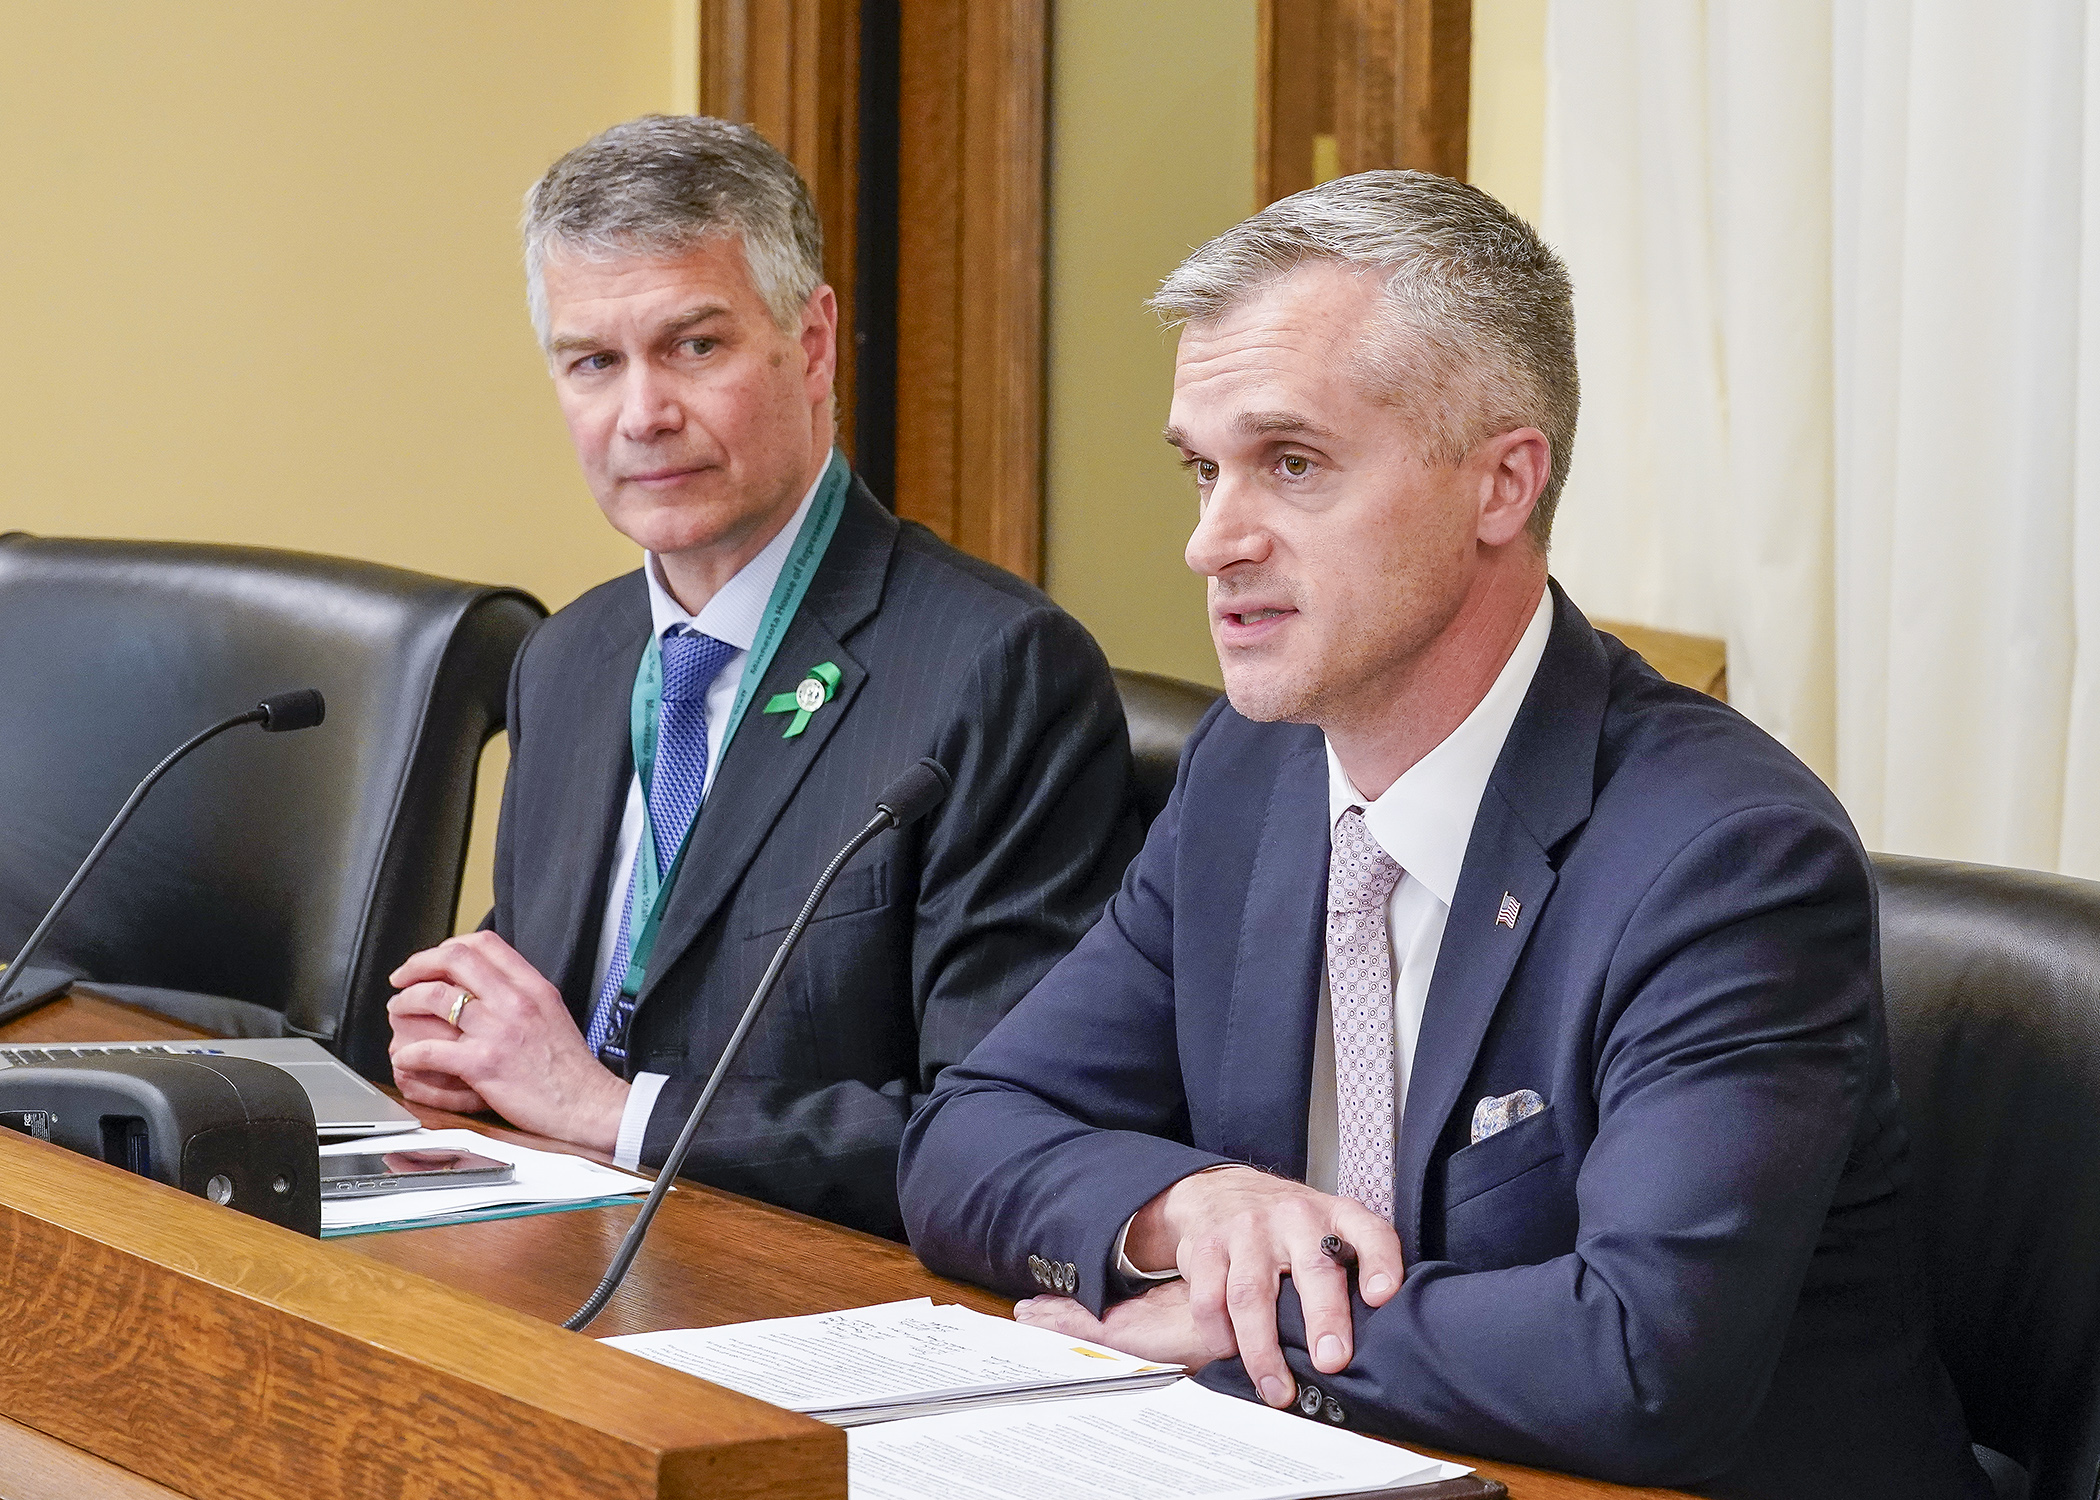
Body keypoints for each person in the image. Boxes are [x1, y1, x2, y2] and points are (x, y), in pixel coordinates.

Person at [897, 172, 1988, 1498]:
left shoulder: (1726, 856)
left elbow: (1644, 1360)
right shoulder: (1249, 776)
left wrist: (1254, 1329)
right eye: (1202, 469)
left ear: (1501, 486)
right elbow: (968, 1138)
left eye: (1289, 464)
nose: (1210, 542)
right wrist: (1188, 1213)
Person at [384, 115, 1140, 1238]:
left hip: (797, 1295)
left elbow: (1001, 1135)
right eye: (594, 362)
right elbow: (561, 1013)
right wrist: (463, 1040)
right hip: (543, 1253)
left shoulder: (998, 669)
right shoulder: (570, 658)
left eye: (695, 346)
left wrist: (613, 1110)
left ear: (815, 341)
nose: (644, 413)